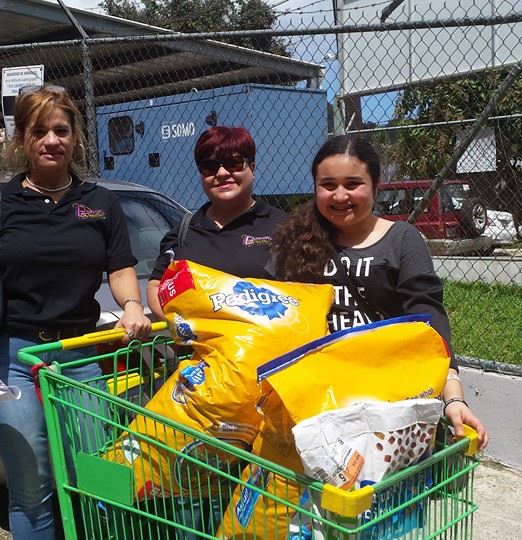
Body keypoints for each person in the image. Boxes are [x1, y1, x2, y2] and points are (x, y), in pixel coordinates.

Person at [0, 84, 151, 539]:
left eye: (61, 130)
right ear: (22, 140)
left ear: (75, 138)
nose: (52, 140)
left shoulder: (100, 203)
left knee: (101, 480)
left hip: (82, 358)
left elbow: (121, 268)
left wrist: (131, 305)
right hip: (12, 359)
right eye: (40, 130)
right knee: (32, 489)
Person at [271, 135, 488, 449]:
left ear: (375, 185)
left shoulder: (401, 239)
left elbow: (429, 323)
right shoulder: (297, 238)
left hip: (389, 402)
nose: (340, 195)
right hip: (321, 399)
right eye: (328, 185)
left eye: (353, 184)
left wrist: (454, 398)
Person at [147, 126, 287, 318]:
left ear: (252, 168)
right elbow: (156, 285)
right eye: (210, 167)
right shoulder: (184, 232)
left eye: (234, 163)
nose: (221, 173)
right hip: (199, 346)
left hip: (269, 345)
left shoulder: (285, 228)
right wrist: (184, 325)